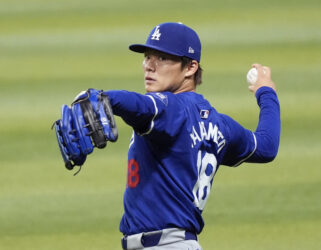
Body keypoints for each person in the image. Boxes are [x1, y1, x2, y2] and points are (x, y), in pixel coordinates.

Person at [104, 22, 280, 250]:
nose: (149, 66)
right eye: (148, 56)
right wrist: (266, 92)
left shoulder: (169, 108)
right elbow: (266, 145)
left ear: (190, 68)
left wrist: (102, 97)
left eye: (163, 58)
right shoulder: (220, 124)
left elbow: (139, 104)